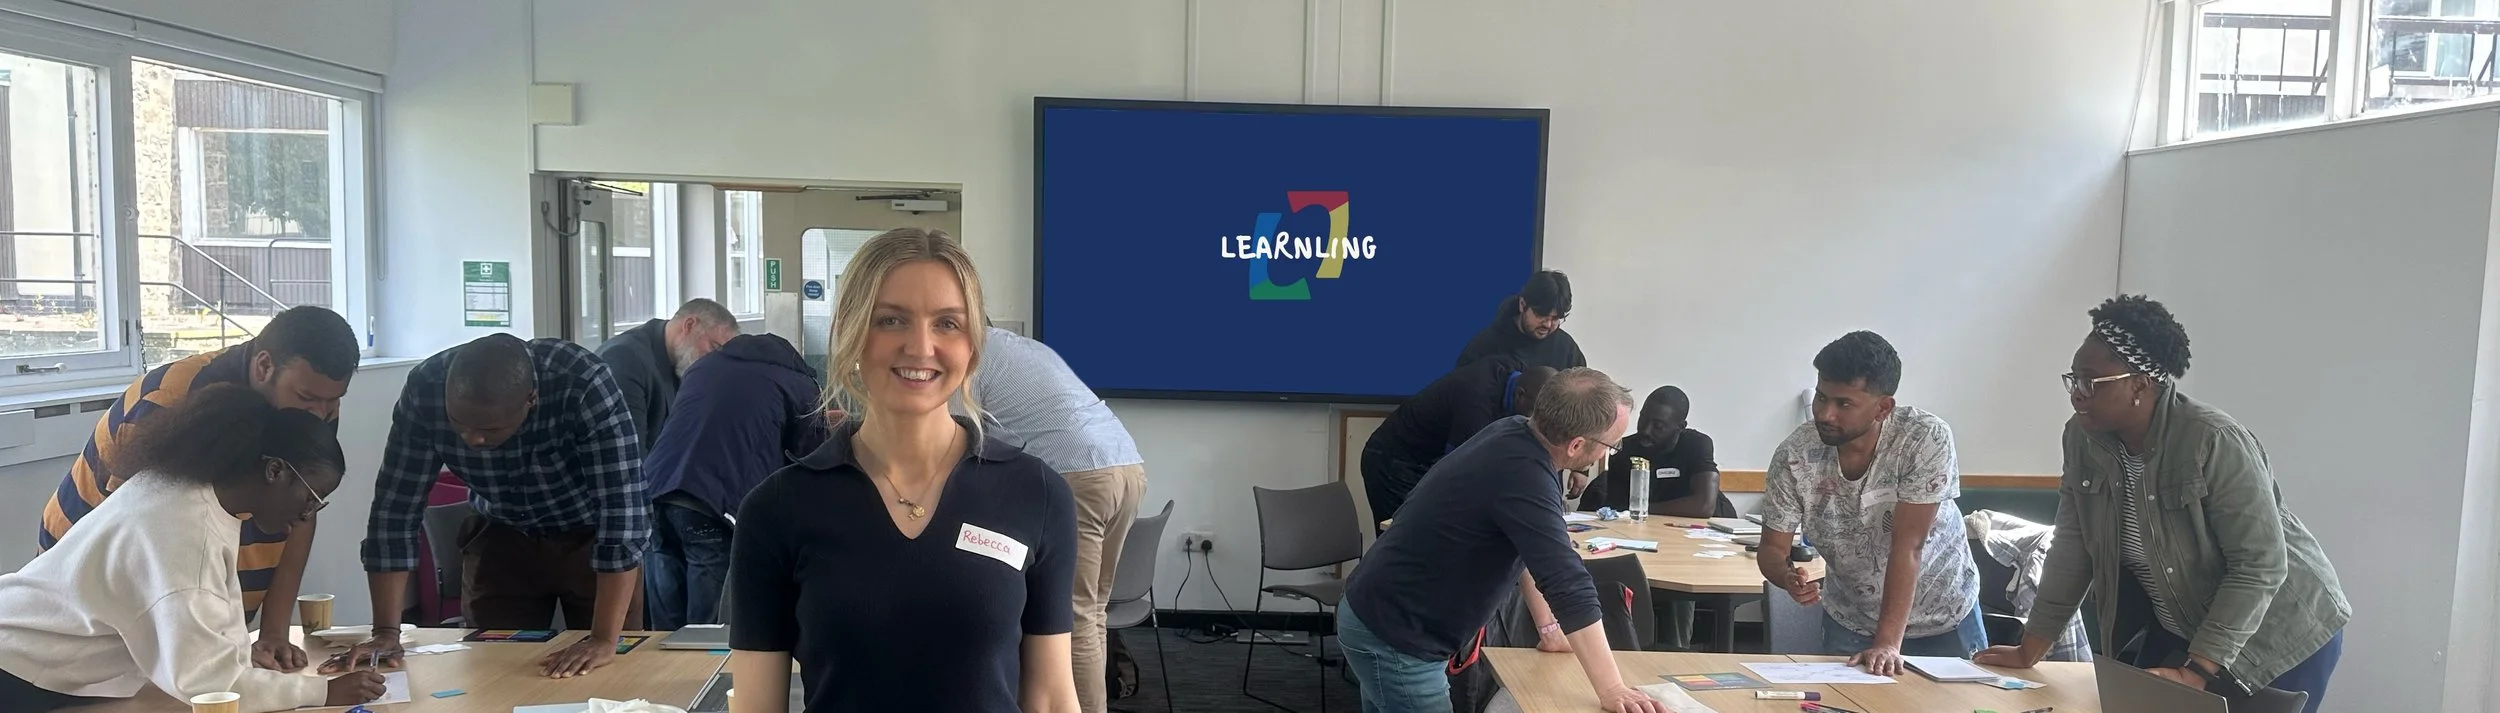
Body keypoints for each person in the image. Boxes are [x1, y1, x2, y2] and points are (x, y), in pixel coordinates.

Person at [726, 228, 1080, 713]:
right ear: (849, 332)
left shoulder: (1036, 493)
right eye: (891, 320)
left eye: (947, 324)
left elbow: (1052, 698)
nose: (920, 347)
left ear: (973, 345)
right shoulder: (778, 509)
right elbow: (756, 706)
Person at [1976, 296, 2348, 713]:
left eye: (2090, 382)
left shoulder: (2212, 440)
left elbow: (2260, 564)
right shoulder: (2083, 439)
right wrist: (2031, 647)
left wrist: (2198, 671)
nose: (2077, 395)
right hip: (2184, 625)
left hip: (2278, 629)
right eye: (2073, 380)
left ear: (2139, 383)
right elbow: (2072, 547)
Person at [0, 385, 386, 712]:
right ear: (274, 471)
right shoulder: (183, 532)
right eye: (312, 498)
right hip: (19, 667)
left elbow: (208, 620)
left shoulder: (192, 491)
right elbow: (212, 688)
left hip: (33, 653)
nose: (306, 516)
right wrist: (325, 692)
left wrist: (237, 654)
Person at [35, 305, 359, 674]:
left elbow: (303, 508)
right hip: (94, 591)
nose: (319, 414)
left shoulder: (314, 405)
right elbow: (144, 540)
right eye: (307, 398)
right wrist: (211, 643)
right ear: (265, 366)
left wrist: (273, 632)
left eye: (334, 402)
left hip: (185, 600)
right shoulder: (174, 397)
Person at [1339, 367, 1668, 713]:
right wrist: (1613, 688)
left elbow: (1526, 551)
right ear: (1575, 445)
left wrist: (1549, 630)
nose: (1609, 453)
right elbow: (1568, 584)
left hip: (1378, 614)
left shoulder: (1515, 434)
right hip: (1397, 639)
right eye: (1611, 445)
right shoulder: (1525, 476)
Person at [330, 333, 647, 679]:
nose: (472, 439)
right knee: (493, 673)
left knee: (606, 674)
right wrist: (386, 633)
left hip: (591, 540)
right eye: (458, 424)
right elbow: (394, 511)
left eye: (489, 429)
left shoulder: (583, 382)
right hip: (501, 537)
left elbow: (622, 513)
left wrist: (603, 639)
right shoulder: (426, 388)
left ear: (531, 399)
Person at [1755, 331, 1982, 672]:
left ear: (1883, 408)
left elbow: (1910, 546)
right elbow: (1772, 549)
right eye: (1821, 397)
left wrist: (1888, 643)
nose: (1825, 414)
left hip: (1944, 616)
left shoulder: (1923, 438)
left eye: (1843, 404)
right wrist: (1785, 576)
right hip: (1852, 620)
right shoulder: (1795, 454)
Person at [971, 324, 1144, 713]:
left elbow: (951, 439)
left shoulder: (970, 354)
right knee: (1093, 612)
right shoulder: (1022, 348)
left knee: (1073, 620)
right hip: (1127, 467)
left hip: (1080, 472)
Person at [642, 333, 824, 631]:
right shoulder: (798, 383)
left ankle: (660, 677)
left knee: (664, 630)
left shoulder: (703, 368)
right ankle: (699, 678)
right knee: (709, 630)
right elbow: (812, 458)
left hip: (653, 494)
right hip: (712, 503)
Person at [1360, 356, 1556, 526]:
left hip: (1425, 458)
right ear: (1520, 395)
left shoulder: (1518, 372)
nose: (1537, 424)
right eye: (1535, 415)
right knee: (1406, 539)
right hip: (1392, 461)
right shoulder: (1476, 404)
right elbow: (1460, 475)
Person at [595, 297, 740, 454]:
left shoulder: (682, 360)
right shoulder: (625, 359)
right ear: (689, 325)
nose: (715, 361)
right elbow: (628, 457)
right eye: (714, 347)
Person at [1581, 385, 1721, 517]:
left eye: (1658, 426)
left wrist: (1641, 508)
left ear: (1680, 427)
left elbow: (1704, 506)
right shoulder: (1624, 449)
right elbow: (1618, 507)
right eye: (1643, 420)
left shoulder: (1696, 445)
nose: (1646, 430)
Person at [1453, 270, 1587, 371]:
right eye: (1541, 315)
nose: (1547, 324)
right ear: (1522, 304)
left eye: (1555, 318)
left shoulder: (1567, 349)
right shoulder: (1485, 347)